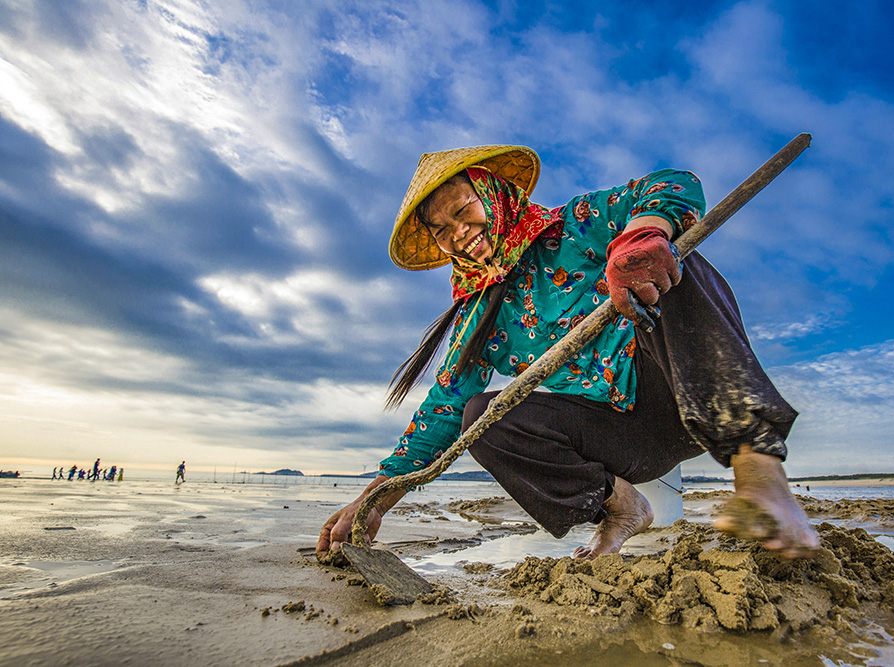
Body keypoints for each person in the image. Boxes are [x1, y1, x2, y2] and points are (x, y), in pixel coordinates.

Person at [316, 145, 819, 563]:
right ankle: (622, 510)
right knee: (480, 415)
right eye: (441, 230)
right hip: (616, 439)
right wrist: (372, 500)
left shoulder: (572, 228)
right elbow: (442, 411)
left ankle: (759, 473)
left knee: (671, 262)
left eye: (462, 210)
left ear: (492, 195)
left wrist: (639, 238)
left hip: (679, 392)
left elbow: (673, 182)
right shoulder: (475, 314)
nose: (458, 233)